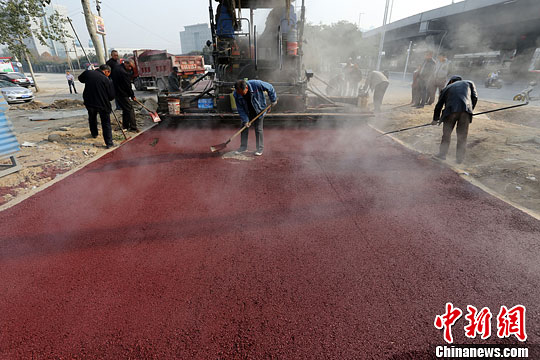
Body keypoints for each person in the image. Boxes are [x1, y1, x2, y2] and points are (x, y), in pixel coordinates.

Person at [431, 75, 478, 164]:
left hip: (450, 112)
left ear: (451, 81)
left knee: (446, 135)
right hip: (465, 112)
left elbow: (439, 105)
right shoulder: (469, 83)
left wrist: (435, 119)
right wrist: (470, 110)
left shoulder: (446, 88)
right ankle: (459, 159)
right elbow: (474, 97)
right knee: (462, 136)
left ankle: (442, 155)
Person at [233, 79, 277, 156]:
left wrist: (273, 100)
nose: (240, 94)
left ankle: (259, 149)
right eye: (238, 92)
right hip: (247, 112)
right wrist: (246, 120)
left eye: (241, 93)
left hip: (259, 110)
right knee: (244, 127)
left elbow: (270, 87)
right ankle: (243, 147)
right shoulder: (236, 94)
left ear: (246, 88)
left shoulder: (256, 84)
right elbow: (240, 109)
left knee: (258, 129)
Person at [78, 64, 115, 148]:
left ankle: (94, 133)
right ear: (106, 71)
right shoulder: (107, 80)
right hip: (102, 104)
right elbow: (111, 96)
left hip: (89, 102)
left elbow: (80, 79)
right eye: (109, 73)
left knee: (92, 118)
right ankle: (109, 143)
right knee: (106, 123)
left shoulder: (88, 73)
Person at [110, 59, 138, 132]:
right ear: (125, 63)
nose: (130, 68)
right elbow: (128, 86)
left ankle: (125, 126)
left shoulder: (117, 67)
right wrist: (132, 95)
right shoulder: (123, 72)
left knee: (125, 109)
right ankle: (133, 127)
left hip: (117, 92)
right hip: (122, 93)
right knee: (130, 109)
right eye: (129, 66)